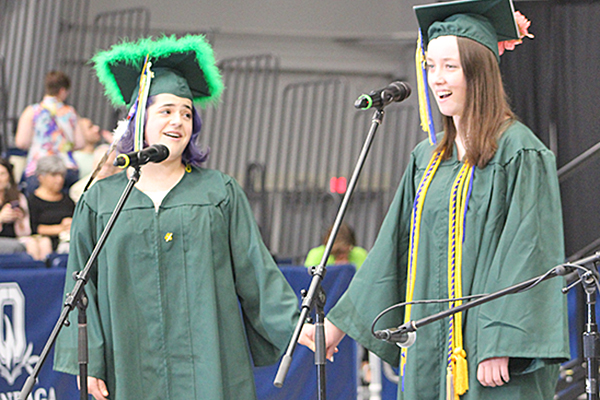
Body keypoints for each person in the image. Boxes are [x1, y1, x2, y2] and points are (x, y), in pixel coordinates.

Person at [300, 0, 569, 399]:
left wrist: (503, 343)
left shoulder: (519, 152)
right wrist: (339, 324)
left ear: (478, 74)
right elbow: (394, 249)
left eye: (450, 67)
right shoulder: (426, 158)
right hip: (429, 348)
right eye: (430, 66)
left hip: (491, 357)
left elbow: (528, 249)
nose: (436, 79)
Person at [53, 35, 299, 400]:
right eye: (166, 110)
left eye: (186, 113)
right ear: (138, 120)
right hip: (129, 365)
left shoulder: (219, 193)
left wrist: (297, 328)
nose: (178, 121)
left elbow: (256, 271)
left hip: (210, 366)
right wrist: (87, 360)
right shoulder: (101, 201)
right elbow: (80, 288)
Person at [15, 70, 84, 195]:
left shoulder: (32, 111)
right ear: (62, 90)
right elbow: (80, 143)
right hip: (66, 167)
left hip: (39, 167)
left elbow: (21, 142)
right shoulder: (71, 112)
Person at [0, 158, 52, 260]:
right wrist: (1, 218)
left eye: (2, 174)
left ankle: (46, 274)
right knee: (26, 245)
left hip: (16, 238)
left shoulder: (18, 198)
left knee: (44, 242)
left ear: (9, 177)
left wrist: (19, 219)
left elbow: (25, 232)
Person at [27, 155, 75, 254]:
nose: (59, 180)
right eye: (53, 175)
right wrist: (60, 228)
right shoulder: (31, 201)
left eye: (61, 175)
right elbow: (33, 228)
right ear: (41, 177)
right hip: (42, 245)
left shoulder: (68, 200)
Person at [304, 222, 368, 269]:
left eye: (343, 252)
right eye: (336, 253)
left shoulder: (360, 254)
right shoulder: (316, 255)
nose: (341, 256)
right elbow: (308, 279)